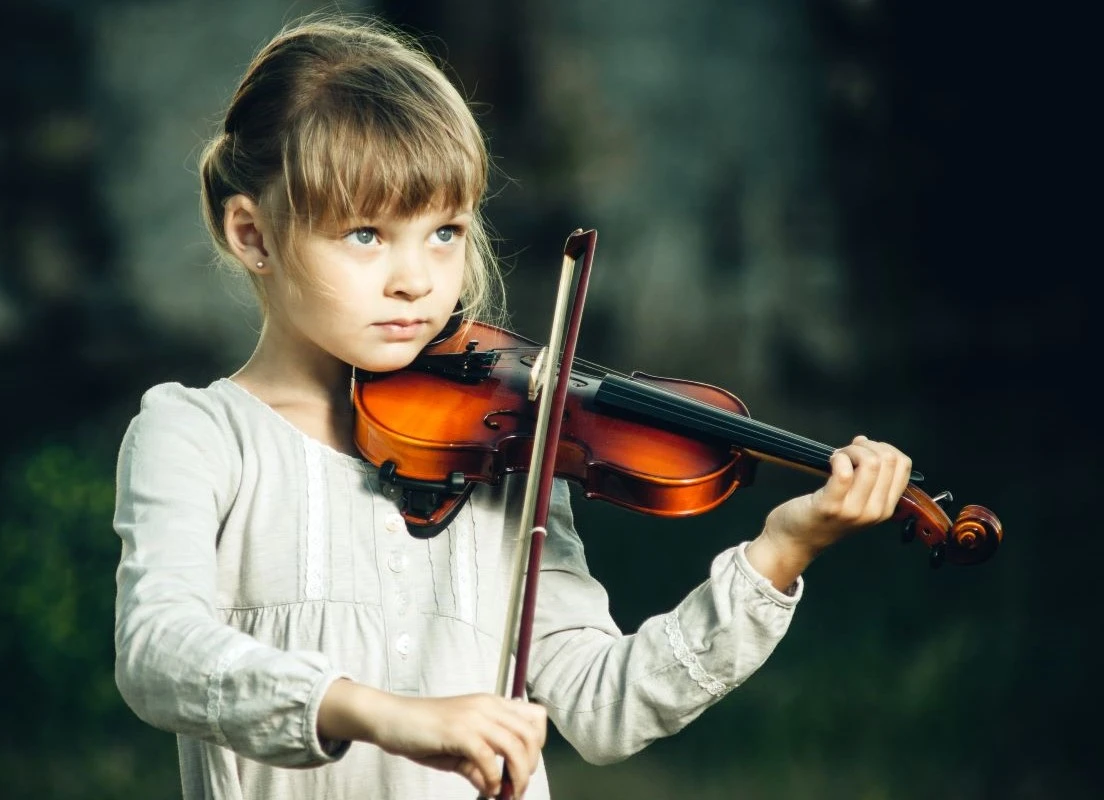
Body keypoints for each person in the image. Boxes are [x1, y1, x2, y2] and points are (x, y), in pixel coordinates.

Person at [111, 13, 914, 800]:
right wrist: (389, 716)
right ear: (251, 235)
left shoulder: (504, 448)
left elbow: (605, 704)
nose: (416, 279)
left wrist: (782, 549)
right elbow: (159, 654)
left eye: (444, 231)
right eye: (364, 234)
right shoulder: (198, 435)